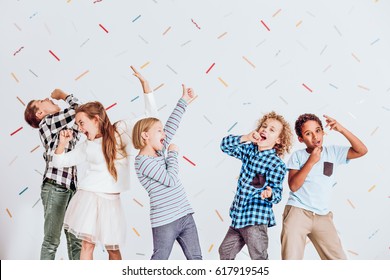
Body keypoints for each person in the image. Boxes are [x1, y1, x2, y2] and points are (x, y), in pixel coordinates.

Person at [52, 66, 157, 260]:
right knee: (87, 246)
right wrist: (62, 144)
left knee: (114, 251)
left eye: (82, 123)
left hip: (111, 202)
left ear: (96, 119)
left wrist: (145, 85)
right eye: (78, 124)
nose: (79, 128)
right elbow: (59, 162)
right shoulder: (87, 145)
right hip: (90, 198)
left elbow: (151, 117)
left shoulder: (121, 131)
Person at [281, 114, 368, 260]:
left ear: (323, 132)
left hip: (323, 216)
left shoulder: (333, 152)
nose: (315, 136)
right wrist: (311, 161)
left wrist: (341, 129)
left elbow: (362, 150)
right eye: (308, 133)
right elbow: (294, 186)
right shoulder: (298, 156)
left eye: (318, 130)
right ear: (301, 139)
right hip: (298, 212)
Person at [132, 85, 202, 260]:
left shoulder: (158, 151)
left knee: (196, 260)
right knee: (160, 260)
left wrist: (183, 101)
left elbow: (172, 123)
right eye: (159, 130)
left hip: (185, 214)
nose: (164, 133)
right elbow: (170, 179)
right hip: (165, 221)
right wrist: (173, 153)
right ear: (145, 135)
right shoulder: (142, 162)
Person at [219, 112, 293, 260]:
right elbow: (225, 145)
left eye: (272, 129)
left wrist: (270, 193)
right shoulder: (249, 151)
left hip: (255, 219)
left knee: (258, 258)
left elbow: (277, 194)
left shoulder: (276, 164)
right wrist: (246, 137)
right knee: (225, 252)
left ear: (278, 140)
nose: (265, 129)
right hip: (238, 216)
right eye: (264, 126)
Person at [24, 88, 82, 260]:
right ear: (40, 113)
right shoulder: (48, 122)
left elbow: (81, 118)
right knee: (51, 241)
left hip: (70, 188)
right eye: (42, 101)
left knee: (76, 240)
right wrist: (63, 95)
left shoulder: (62, 130)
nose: (47, 98)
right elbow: (77, 109)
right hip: (55, 187)